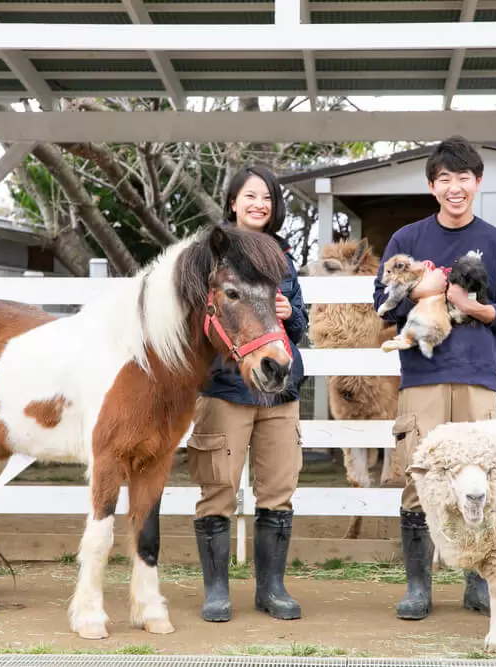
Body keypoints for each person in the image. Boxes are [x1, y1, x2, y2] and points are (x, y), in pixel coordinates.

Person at [372, 136, 496, 620]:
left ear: (477, 183)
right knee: (421, 479)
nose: (454, 187)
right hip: (423, 374)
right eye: (444, 179)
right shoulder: (408, 240)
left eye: (463, 178)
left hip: (478, 376)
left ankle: (479, 584)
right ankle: (419, 586)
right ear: (432, 186)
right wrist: (425, 287)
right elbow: (381, 296)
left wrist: (478, 308)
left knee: (483, 481)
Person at [187, 164, 308, 623]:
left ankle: (271, 588)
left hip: (280, 389)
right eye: (250, 196)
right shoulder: (208, 255)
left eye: (268, 198)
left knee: (277, 489)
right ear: (233, 201)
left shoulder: (281, 255)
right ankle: (217, 590)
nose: (259, 204)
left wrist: (288, 311)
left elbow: (300, 326)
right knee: (217, 487)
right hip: (225, 387)